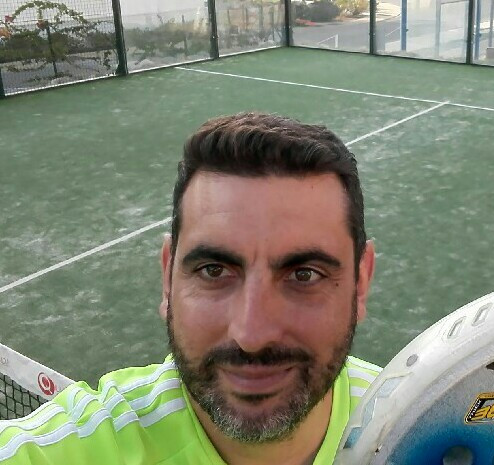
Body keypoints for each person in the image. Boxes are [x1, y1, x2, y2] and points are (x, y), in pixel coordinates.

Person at [0, 113, 381, 465]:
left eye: (304, 275)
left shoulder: (407, 419)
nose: (251, 335)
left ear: (360, 283)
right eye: (214, 270)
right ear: (168, 277)